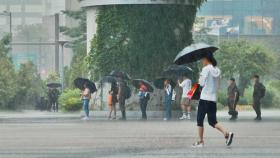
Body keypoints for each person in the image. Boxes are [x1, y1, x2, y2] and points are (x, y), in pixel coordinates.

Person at [192, 52, 234, 148]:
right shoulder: (217, 70)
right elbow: (218, 86)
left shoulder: (205, 69)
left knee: (199, 120)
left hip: (204, 98)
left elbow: (201, 84)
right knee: (212, 121)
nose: (202, 61)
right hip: (213, 99)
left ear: (207, 59)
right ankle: (227, 133)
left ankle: (200, 142)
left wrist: (200, 78)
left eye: (203, 59)